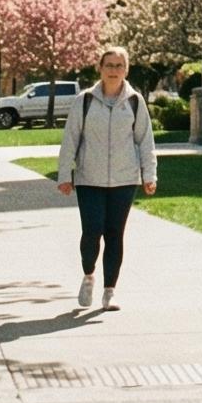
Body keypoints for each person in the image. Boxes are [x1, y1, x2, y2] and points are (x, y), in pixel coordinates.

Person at [54, 45, 157, 310]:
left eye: (118, 65)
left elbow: (145, 140)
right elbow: (71, 139)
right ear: (100, 68)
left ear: (126, 70)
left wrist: (149, 174)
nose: (113, 70)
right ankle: (89, 275)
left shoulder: (135, 101)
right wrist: (65, 174)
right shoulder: (85, 100)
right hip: (90, 178)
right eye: (109, 65)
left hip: (124, 180)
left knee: (115, 234)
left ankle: (109, 291)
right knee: (92, 231)